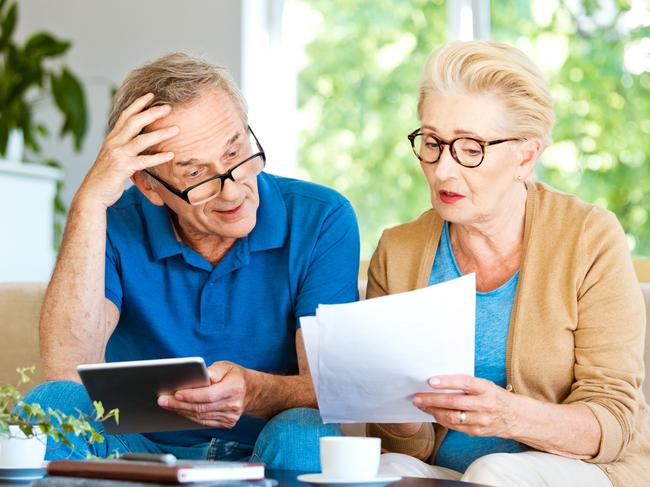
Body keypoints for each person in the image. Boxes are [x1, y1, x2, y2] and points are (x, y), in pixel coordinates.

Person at [25, 53, 359, 469]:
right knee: (50, 403)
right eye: (197, 174)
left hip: (267, 447)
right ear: (148, 184)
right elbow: (64, 371)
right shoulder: (112, 222)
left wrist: (255, 391)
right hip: (137, 449)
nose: (234, 191)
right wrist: (89, 203)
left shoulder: (321, 216)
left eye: (237, 152)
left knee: (306, 433)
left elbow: (331, 388)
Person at [366, 40, 649, 486]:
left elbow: (612, 423)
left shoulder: (589, 236)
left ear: (526, 155)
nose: (443, 171)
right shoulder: (398, 251)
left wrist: (507, 416)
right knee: (379, 472)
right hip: (444, 469)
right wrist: (396, 414)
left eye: (471, 148)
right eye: (434, 143)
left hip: (584, 468)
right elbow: (401, 447)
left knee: (493, 470)